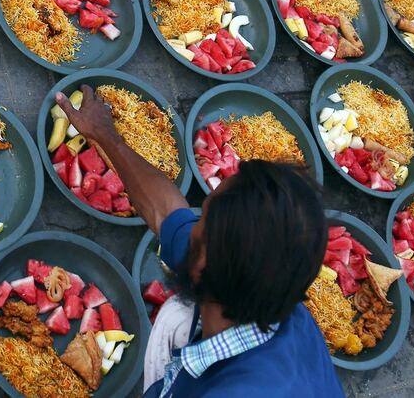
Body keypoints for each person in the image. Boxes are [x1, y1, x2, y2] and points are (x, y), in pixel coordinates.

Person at [55, 86, 344, 398]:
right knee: (176, 315)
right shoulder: (271, 291)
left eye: (202, 216)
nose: (191, 223)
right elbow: (166, 212)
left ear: (203, 261)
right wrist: (104, 134)